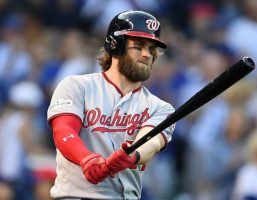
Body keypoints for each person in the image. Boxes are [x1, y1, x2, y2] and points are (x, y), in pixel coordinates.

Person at [47, 10, 175, 199]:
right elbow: (63, 131)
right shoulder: (77, 85)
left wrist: (132, 155)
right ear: (116, 45)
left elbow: (151, 142)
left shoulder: (161, 107)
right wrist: (87, 159)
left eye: (151, 49)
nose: (147, 54)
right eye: (138, 46)